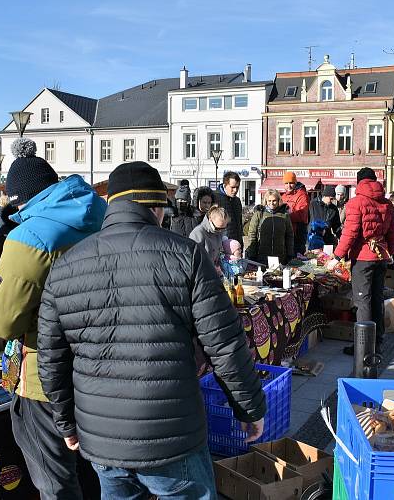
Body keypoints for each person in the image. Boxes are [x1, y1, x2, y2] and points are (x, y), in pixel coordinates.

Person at [37, 161, 266, 499]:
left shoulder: (67, 265)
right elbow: (225, 345)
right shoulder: (185, 255)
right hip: (171, 435)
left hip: (103, 436)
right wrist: (249, 408)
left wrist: (66, 422)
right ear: (157, 208)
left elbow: (52, 359)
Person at [0, 138, 106, 500]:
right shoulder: (102, 215)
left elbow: (3, 321)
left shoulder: (31, 234)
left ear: (19, 200)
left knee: (55, 480)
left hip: (43, 378)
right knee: (95, 473)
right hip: (101, 368)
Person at [326, 168, 394, 355]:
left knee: (362, 301)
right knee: (377, 299)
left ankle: (363, 348)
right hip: (381, 256)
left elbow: (350, 233)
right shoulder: (387, 203)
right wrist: (391, 252)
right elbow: (392, 232)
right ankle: (378, 341)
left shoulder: (356, 202)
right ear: (374, 180)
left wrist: (337, 256)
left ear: (359, 182)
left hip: (363, 258)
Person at [245, 189, 294, 265]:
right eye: (269, 201)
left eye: (274, 200)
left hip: (280, 257)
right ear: (266, 201)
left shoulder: (285, 215)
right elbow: (252, 234)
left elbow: (289, 236)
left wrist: (290, 254)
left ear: (278, 201)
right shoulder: (259, 214)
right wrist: (252, 254)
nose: (272, 203)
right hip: (262, 257)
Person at [190, 205, 229, 273]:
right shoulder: (198, 232)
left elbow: (218, 254)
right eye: (217, 228)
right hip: (201, 273)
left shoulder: (219, 232)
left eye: (223, 228)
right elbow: (193, 258)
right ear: (210, 220)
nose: (220, 231)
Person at [281, 172, 310, 255]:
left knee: (295, 258)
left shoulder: (302, 195)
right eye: (286, 183)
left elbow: (301, 214)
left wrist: (284, 216)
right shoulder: (283, 196)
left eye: (291, 183)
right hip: (285, 231)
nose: (289, 186)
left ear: (295, 183)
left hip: (297, 233)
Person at [214, 172, 243, 244]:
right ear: (225, 185)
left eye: (237, 187)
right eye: (232, 187)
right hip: (221, 244)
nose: (235, 190)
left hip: (236, 244)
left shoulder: (237, 201)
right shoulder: (214, 198)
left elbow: (239, 224)